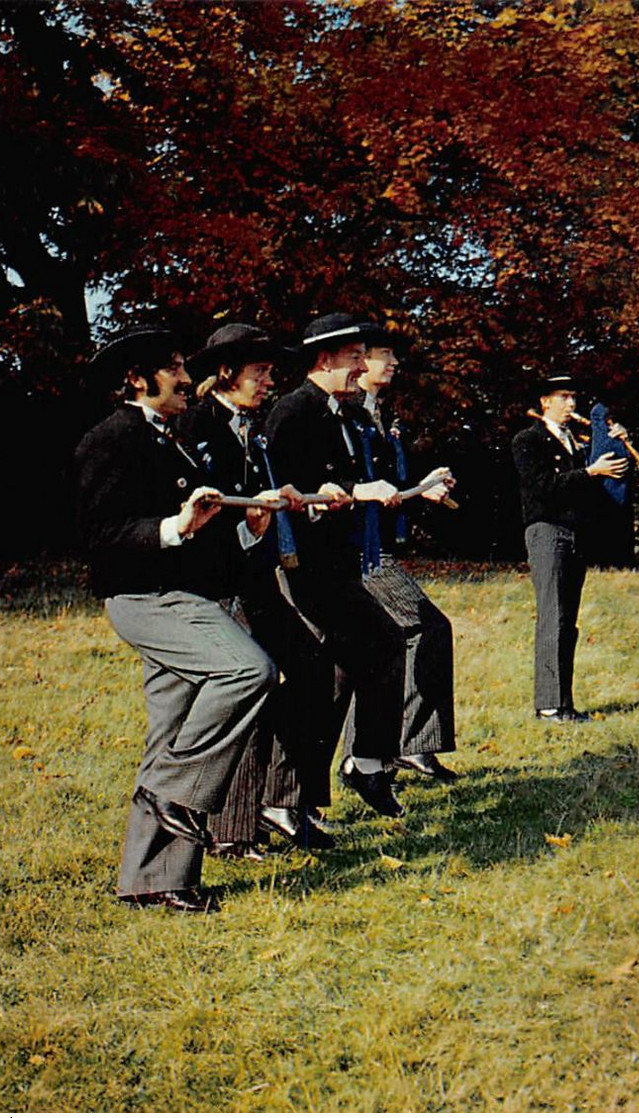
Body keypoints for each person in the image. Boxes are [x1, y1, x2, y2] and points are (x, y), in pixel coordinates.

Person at [74, 324, 278, 912]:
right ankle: (175, 792)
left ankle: (153, 882)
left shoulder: (174, 439)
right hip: (148, 601)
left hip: (186, 596)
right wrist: (174, 527)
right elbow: (101, 537)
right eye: (175, 368)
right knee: (247, 671)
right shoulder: (108, 439)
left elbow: (200, 537)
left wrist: (247, 528)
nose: (189, 379)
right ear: (137, 380)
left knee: (173, 730)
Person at [176, 322, 338, 854]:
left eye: (270, 371)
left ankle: (281, 802)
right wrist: (251, 522)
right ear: (226, 373)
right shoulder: (197, 428)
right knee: (252, 687)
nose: (269, 381)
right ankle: (231, 829)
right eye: (259, 371)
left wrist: (286, 500)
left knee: (316, 669)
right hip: (218, 587)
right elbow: (201, 516)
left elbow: (254, 498)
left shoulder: (256, 428)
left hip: (256, 579)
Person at [264, 313, 408, 818]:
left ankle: (305, 794)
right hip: (302, 568)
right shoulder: (292, 412)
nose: (362, 366)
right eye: (354, 358)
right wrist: (336, 495)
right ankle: (347, 772)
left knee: (346, 667)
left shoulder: (348, 416)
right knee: (351, 660)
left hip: (339, 564)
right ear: (323, 360)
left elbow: (365, 480)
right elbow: (279, 490)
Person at [335, 325, 459, 780]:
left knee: (409, 633)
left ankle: (396, 746)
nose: (393, 363)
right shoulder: (348, 415)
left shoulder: (377, 416)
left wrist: (421, 489)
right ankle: (384, 748)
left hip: (375, 544)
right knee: (419, 628)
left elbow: (383, 487)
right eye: (383, 355)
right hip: (357, 551)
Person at [510, 375, 628, 722]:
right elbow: (544, 487)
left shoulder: (577, 444)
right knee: (552, 616)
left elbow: (599, 487)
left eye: (574, 397)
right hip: (546, 531)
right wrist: (591, 471)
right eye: (563, 397)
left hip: (575, 534)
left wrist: (615, 445)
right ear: (545, 402)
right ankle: (548, 705)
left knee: (567, 621)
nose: (571, 404)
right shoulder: (528, 440)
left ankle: (563, 702)